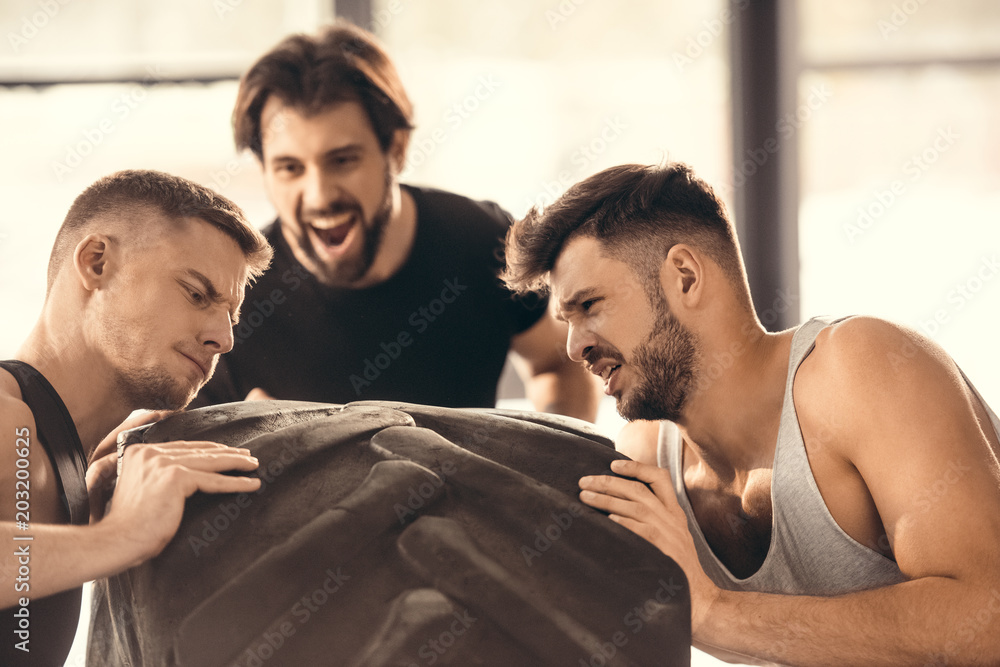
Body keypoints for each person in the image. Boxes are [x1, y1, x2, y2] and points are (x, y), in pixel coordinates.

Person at [501, 161, 1000, 665]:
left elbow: (987, 620)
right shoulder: (648, 462)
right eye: (565, 320)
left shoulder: (860, 369)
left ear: (685, 276)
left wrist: (715, 613)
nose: (572, 347)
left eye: (588, 305)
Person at [192, 22, 600, 419]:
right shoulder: (236, 293)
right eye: (289, 168)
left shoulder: (481, 241)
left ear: (397, 149)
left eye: (343, 160)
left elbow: (554, 364)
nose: (319, 196)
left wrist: (549, 466)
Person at [0, 169, 272, 665]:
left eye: (230, 316)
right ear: (97, 262)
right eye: (196, 294)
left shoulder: (81, 459)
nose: (224, 339)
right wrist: (121, 536)